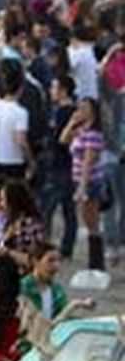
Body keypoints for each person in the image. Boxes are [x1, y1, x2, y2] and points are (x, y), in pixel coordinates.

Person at [60, 96, 110, 271]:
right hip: (78, 178)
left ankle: (96, 261)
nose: (80, 111)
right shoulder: (80, 130)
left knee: (91, 222)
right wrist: (71, 123)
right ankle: (95, 261)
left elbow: (89, 161)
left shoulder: (94, 135)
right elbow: (63, 140)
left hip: (90, 181)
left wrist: (82, 186)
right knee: (88, 221)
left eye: (84, 108)